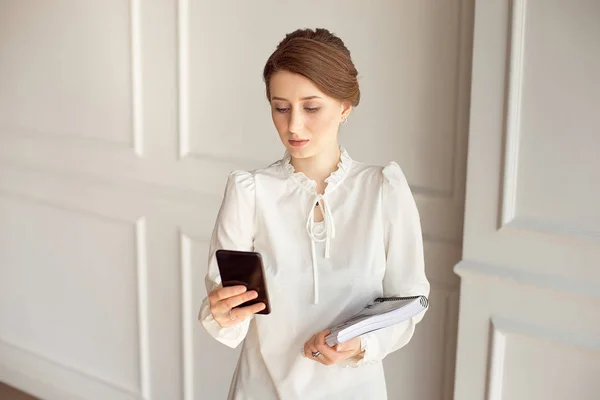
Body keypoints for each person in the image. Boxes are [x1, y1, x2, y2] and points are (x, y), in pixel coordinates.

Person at [198, 27, 430, 400]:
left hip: (356, 391)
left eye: (311, 107)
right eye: (281, 107)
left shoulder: (383, 190)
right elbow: (227, 318)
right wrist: (221, 314)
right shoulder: (250, 192)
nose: (293, 126)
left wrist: (359, 344)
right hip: (262, 389)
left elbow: (410, 300)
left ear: (344, 107)